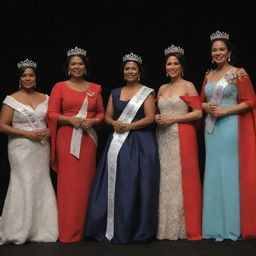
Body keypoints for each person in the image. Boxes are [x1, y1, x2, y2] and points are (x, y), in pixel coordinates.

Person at [84, 52, 160, 244]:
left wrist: (130, 126)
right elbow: (108, 116)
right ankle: (109, 226)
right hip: (118, 141)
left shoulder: (147, 92)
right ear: (123, 71)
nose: (130, 71)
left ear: (139, 72)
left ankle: (136, 228)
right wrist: (114, 123)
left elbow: (151, 118)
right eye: (127, 68)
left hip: (141, 142)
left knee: (136, 184)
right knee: (116, 183)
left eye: (134, 68)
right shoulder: (115, 92)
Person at [200, 31, 256, 241]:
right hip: (212, 130)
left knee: (229, 174)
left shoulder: (238, 73)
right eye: (214, 50)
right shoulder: (208, 75)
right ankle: (213, 227)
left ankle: (232, 228)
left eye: (222, 49)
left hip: (230, 126)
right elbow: (201, 102)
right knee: (213, 173)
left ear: (229, 52)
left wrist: (225, 111)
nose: (218, 53)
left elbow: (250, 101)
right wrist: (206, 105)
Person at [46, 46, 104, 243]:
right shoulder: (59, 87)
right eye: (73, 64)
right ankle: (70, 231)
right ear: (68, 67)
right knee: (69, 185)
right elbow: (51, 114)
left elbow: (102, 113)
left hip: (88, 139)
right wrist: (69, 120)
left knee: (88, 181)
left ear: (85, 67)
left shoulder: (95, 88)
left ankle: (88, 228)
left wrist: (94, 121)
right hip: (67, 137)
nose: (76, 67)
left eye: (80, 63)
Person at [0, 59, 58, 245]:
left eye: (31, 75)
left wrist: (49, 131)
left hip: (41, 148)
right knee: (22, 183)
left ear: (36, 78)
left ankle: (42, 229)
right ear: (19, 78)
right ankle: (18, 228)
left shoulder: (47, 98)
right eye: (24, 75)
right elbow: (2, 125)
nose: (28, 78)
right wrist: (27, 134)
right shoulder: (11, 100)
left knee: (41, 182)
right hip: (20, 148)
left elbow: (52, 123)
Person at [155, 45, 202, 240]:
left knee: (183, 179)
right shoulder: (162, 88)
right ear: (165, 67)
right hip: (163, 137)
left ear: (182, 67)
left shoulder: (188, 85)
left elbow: (198, 112)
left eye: (176, 63)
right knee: (166, 179)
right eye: (169, 63)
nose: (172, 67)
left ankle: (184, 226)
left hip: (182, 135)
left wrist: (172, 119)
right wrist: (159, 117)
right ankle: (164, 226)